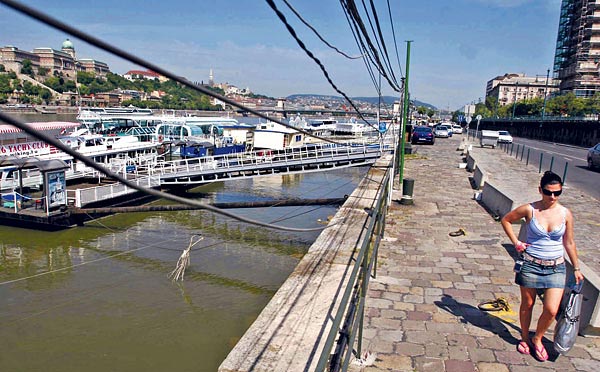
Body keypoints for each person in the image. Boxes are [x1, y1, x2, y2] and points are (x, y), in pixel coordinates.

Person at [501, 171, 584, 362]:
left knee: (551, 310)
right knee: (528, 304)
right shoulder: (529, 210)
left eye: (557, 193)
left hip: (556, 267)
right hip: (531, 264)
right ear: (540, 190)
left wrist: (577, 268)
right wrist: (516, 242)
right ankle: (524, 338)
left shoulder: (565, 214)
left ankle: (537, 338)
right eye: (548, 192)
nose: (553, 197)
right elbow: (506, 219)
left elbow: (569, 242)